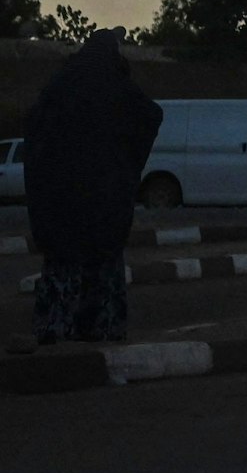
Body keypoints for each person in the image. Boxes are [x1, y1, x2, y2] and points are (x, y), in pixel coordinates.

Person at [19, 29, 162, 346]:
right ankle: (102, 327)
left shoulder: (61, 87)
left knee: (62, 263)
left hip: (60, 198)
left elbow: (33, 126)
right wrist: (125, 161)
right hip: (104, 197)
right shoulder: (117, 89)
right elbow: (150, 116)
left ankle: (55, 327)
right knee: (103, 262)